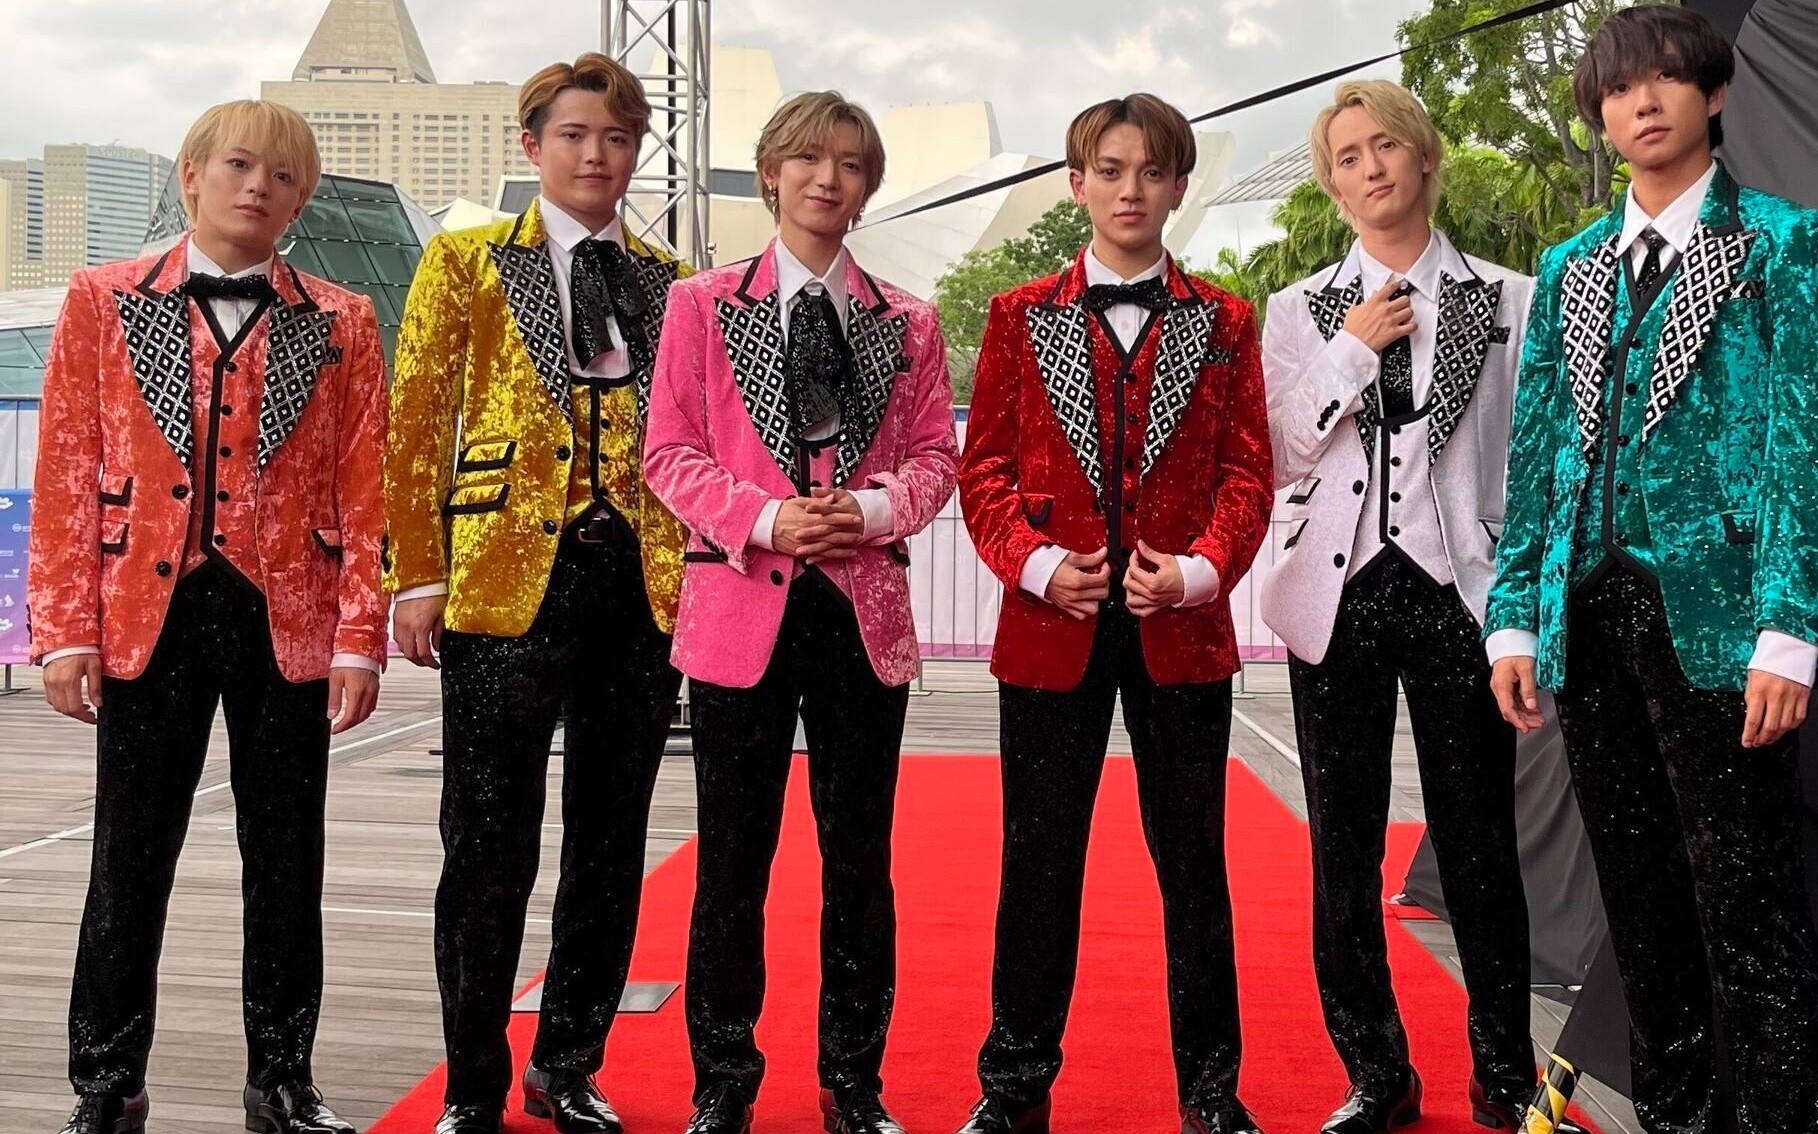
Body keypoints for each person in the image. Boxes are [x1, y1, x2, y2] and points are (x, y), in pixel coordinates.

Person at [1483, 7, 1818, 1132]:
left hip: (1724, 620)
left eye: (1667, 80)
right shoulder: (1572, 264)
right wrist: (1514, 617)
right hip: (1589, 614)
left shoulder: (1783, 241)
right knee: (1638, 901)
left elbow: (1807, 449)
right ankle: (1674, 1117)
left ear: (1714, 94)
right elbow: (1539, 449)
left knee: (1749, 901)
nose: (1642, 103)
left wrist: (1789, 628)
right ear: (1600, 113)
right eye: (1618, 89)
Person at [31, 99, 386, 1134]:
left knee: (287, 861)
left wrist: (359, 637)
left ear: (301, 201)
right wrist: (65, 629)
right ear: (190, 174)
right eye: (237, 165)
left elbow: (364, 486)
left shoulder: (343, 318)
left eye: (282, 177)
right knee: (128, 858)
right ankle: (106, 1081)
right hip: (148, 612)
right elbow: (66, 468)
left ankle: (283, 1078)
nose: (257, 188)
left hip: (289, 615)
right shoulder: (102, 300)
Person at [953, 93, 1274, 1134]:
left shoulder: (1227, 320)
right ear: (1076, 182)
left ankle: (1212, 1094)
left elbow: (1248, 475)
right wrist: (1039, 565)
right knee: (1037, 865)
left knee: (1195, 871)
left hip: (1184, 633)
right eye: (1110, 168)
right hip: (1051, 631)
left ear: (1179, 186)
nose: (1130, 189)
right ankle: (1013, 1089)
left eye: (1152, 171)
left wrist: (1198, 572)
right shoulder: (1018, 314)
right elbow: (983, 470)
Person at [643, 90, 959, 1134]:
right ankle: (723, 1086)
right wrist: (769, 519)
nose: (829, 178)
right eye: (810, 159)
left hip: (861, 615)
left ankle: (854, 1085)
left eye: (851, 164)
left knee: (859, 864)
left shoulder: (909, 320)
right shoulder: (699, 305)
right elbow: (669, 454)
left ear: (868, 188)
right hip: (741, 609)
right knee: (732, 861)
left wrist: (869, 510)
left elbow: (936, 459)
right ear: (771, 171)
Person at [383, 54, 689, 1134]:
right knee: (485, 843)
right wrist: (416, 574)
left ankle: (568, 1066)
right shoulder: (465, 260)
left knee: (610, 840)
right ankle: (472, 1082)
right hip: (500, 578)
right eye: (574, 135)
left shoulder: (672, 278)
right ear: (532, 146)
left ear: (636, 152)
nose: (596, 155)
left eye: (617, 138)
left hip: (640, 583)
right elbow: (415, 420)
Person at [1258, 79, 1539, 1134]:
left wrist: (1521, 605)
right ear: (1332, 185)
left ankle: (1504, 1074)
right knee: (1343, 845)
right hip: (1337, 594)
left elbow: (1532, 459)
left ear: (1425, 157)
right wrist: (1352, 347)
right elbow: (1281, 449)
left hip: (1462, 592)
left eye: (1385, 145)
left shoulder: (1508, 297)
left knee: (1479, 842)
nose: (1370, 167)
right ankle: (1377, 1075)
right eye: (1348, 156)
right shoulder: (1299, 309)